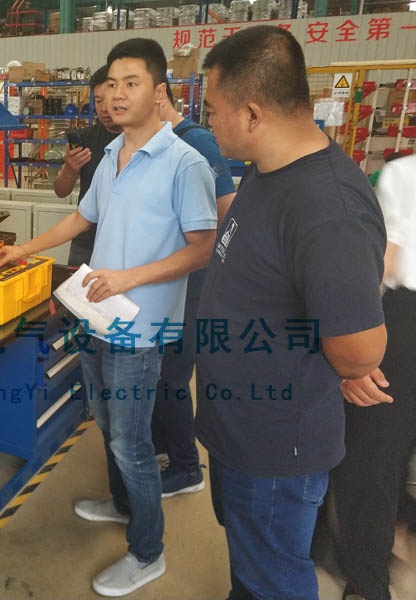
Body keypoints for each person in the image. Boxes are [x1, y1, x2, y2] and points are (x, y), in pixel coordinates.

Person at [0, 38, 216, 597]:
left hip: (139, 329)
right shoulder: (112, 154)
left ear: (159, 91)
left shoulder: (185, 163)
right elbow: (80, 219)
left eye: (131, 83)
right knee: (106, 421)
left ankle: (148, 553)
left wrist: (128, 278)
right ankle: (122, 504)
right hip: (98, 317)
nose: (117, 94)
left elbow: (202, 249)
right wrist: (23, 251)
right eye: (111, 84)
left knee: (131, 443)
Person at [194, 25, 387, 599]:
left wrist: (345, 362)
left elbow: (360, 351)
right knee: (253, 564)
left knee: (275, 576)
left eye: (213, 109)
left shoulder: (328, 207)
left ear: (252, 113)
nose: (209, 121)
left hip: (277, 446)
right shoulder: (267, 170)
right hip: (240, 428)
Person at [331, 152, 416, 600]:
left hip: (407, 325)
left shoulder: (403, 173)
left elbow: (384, 262)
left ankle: (367, 583)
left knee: (373, 456)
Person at [151, 85, 236, 498]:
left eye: (129, 86)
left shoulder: (196, 143)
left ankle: (187, 468)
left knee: (172, 377)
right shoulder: (153, 145)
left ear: (157, 93)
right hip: (164, 284)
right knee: (159, 375)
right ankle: (162, 448)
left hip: (192, 285)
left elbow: (227, 215)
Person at [54, 65, 122, 267]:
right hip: (85, 244)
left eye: (109, 100)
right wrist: (70, 169)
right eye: (98, 101)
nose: (104, 109)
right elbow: (60, 191)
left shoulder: (140, 141)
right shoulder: (86, 138)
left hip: (122, 246)